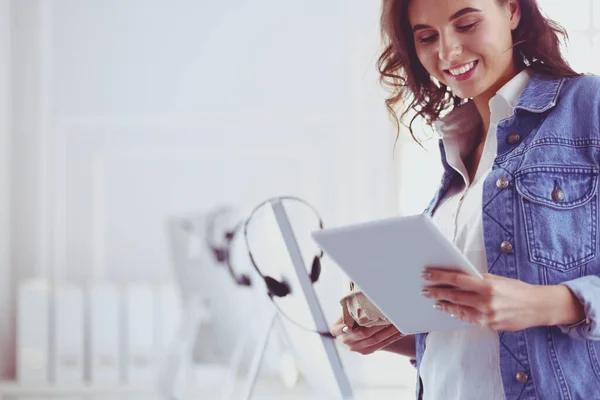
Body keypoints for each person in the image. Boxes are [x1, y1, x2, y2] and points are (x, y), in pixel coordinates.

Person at [330, 0, 600, 399]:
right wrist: (398, 335)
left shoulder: (586, 107)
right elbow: (475, 344)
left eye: (467, 24)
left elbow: (531, 316)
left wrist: (549, 304)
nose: (448, 51)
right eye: (427, 37)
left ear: (511, 11)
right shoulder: (458, 155)